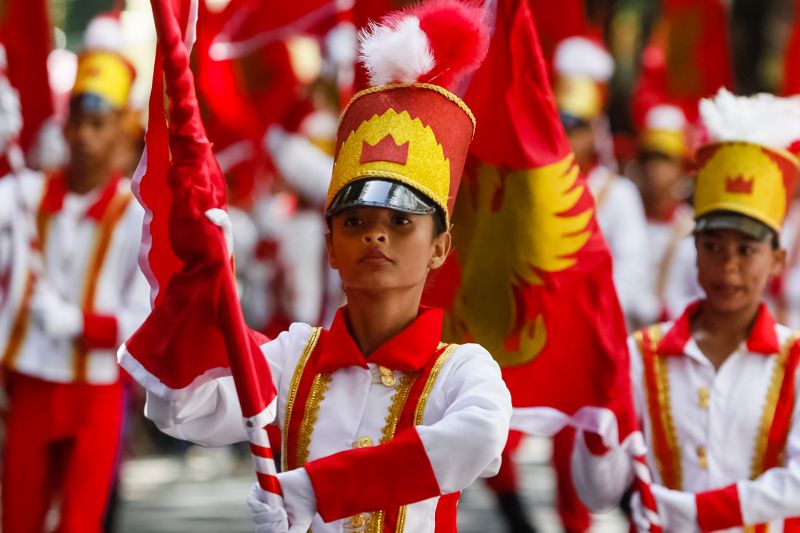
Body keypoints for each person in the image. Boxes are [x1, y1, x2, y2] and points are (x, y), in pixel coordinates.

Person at [136, 2, 512, 532]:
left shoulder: (461, 371)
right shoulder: (292, 359)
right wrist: (197, 277)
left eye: (401, 223)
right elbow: (181, 405)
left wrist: (318, 489)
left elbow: (479, 437)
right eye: (354, 221)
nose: (376, 235)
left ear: (440, 247)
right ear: (331, 245)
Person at [571, 89, 800, 531]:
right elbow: (598, 494)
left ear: (776, 259)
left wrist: (700, 512)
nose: (728, 266)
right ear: (694, 250)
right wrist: (599, 411)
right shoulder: (642, 353)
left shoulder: (795, 360)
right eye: (713, 247)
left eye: (746, 250)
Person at [0, 28, 149, 533]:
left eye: (98, 124)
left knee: (81, 523)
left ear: (121, 132)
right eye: (78, 123)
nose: (85, 136)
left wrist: (79, 323)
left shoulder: (136, 217)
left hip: (97, 392)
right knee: (18, 516)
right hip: (33, 381)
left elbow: (140, 321)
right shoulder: (24, 195)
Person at [553, 35, 650, 326]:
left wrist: (582, 307)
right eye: (560, 121)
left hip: (594, 326)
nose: (566, 133)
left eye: (576, 125)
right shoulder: (531, 186)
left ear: (595, 131)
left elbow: (632, 275)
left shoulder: (620, 194)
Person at [630, 104, 703, 327]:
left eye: (664, 160)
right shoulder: (628, 217)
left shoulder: (692, 227)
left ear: (681, 167)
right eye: (649, 158)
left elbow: (701, 296)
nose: (655, 169)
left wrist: (665, 312)